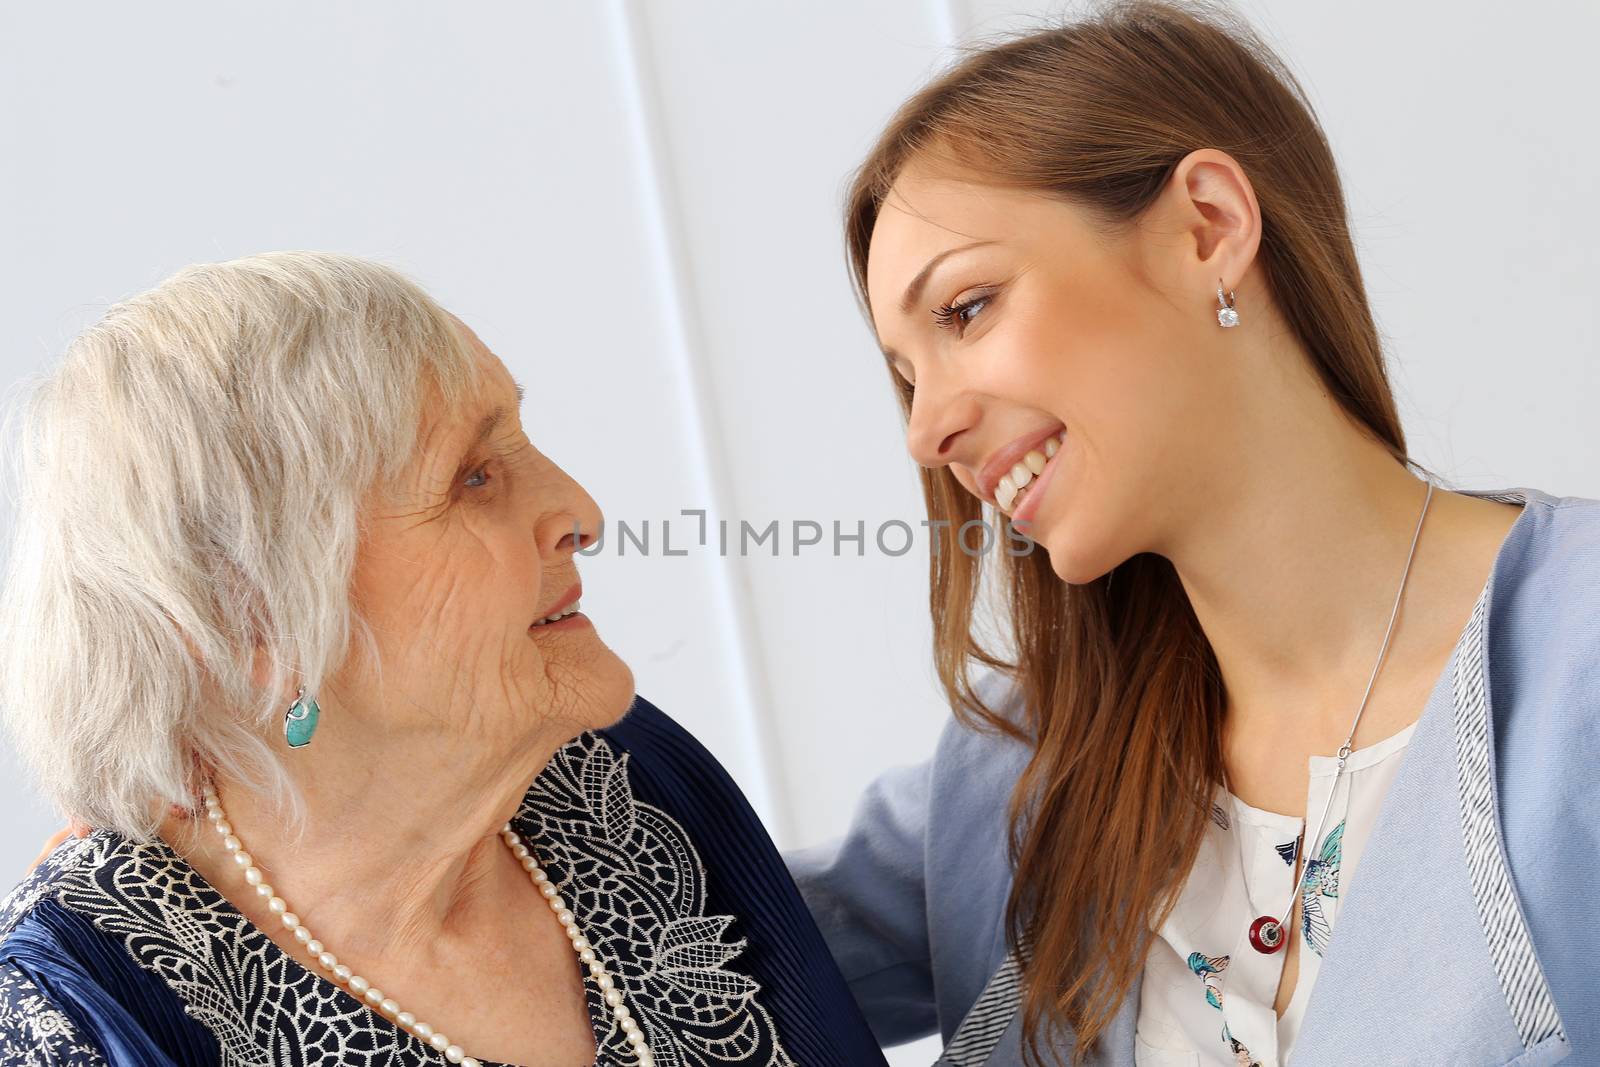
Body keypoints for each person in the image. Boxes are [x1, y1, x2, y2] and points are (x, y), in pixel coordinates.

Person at [787, 3, 1599, 1065]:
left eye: (967, 308)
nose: (924, 428)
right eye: (903, 374)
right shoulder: (1018, 779)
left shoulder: (1576, 656)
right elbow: (647, 950)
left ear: (1206, 226)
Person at [0, 251, 886, 1067]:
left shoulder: (626, 784)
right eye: (473, 476)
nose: (581, 509)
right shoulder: (83, 1015)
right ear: (252, 621)